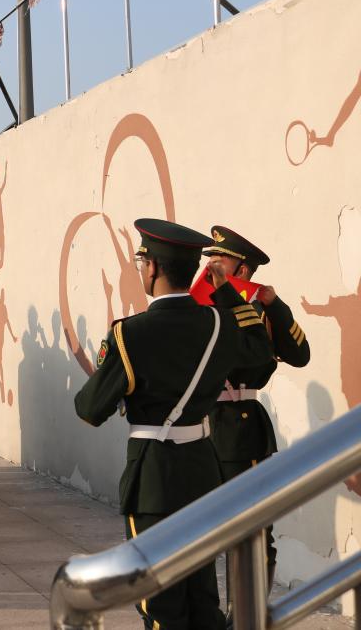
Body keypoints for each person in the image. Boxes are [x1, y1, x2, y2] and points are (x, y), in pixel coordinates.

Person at [74, 219, 274, 629]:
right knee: (202, 598)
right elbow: (259, 352)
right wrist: (226, 292)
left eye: (141, 263)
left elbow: (90, 408)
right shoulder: (219, 324)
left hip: (154, 476)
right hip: (202, 468)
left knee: (161, 602)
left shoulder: (130, 334)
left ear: (152, 268)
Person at [202, 226, 311, 602]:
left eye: (220, 260)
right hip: (198, 425)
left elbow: (299, 355)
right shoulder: (199, 305)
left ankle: (247, 613)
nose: (210, 266)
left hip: (239, 429)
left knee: (250, 531)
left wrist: (275, 305)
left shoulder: (257, 309)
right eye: (209, 260)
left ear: (242, 269)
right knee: (197, 531)